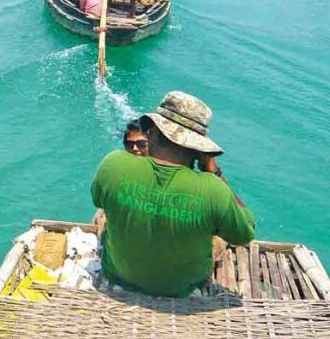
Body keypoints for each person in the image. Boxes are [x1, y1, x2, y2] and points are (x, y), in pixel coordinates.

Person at [90, 91, 255, 297]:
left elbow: (98, 199)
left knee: (102, 214)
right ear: (199, 149)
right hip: (182, 289)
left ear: (150, 133)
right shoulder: (214, 190)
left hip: (119, 276)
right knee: (220, 233)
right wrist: (213, 170)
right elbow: (246, 233)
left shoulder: (113, 164)